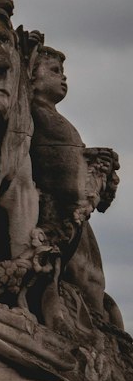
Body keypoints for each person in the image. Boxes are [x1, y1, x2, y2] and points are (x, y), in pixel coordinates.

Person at [28, 42, 122, 331]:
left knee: (92, 280)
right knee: (84, 276)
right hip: (51, 215)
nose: (63, 78)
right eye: (55, 71)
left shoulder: (53, 118)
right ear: (31, 76)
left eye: (63, 71)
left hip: (72, 215)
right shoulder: (32, 115)